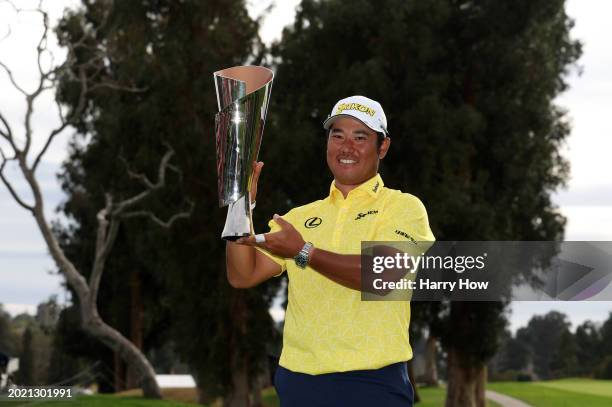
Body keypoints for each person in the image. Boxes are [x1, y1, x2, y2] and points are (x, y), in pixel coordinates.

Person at [226, 95, 435, 406]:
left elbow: (381, 274)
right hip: (299, 381)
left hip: (372, 383)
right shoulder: (298, 217)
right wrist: (239, 206)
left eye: (360, 137)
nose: (346, 147)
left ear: (383, 147)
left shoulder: (403, 207)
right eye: (337, 135)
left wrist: (304, 251)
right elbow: (243, 275)